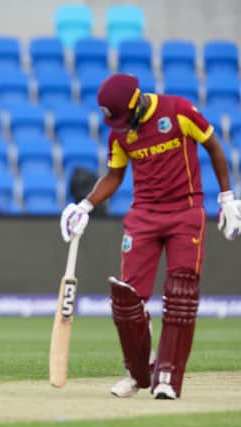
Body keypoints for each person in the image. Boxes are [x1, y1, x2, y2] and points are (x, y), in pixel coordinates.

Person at [59, 73, 241, 400]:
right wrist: (86, 205)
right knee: (127, 298)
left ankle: (168, 376)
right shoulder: (120, 134)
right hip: (143, 216)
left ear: (137, 102)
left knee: (180, 293)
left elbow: (213, 146)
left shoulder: (178, 110)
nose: (121, 126)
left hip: (185, 211)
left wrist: (227, 197)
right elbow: (115, 175)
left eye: (123, 118)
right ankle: (138, 372)